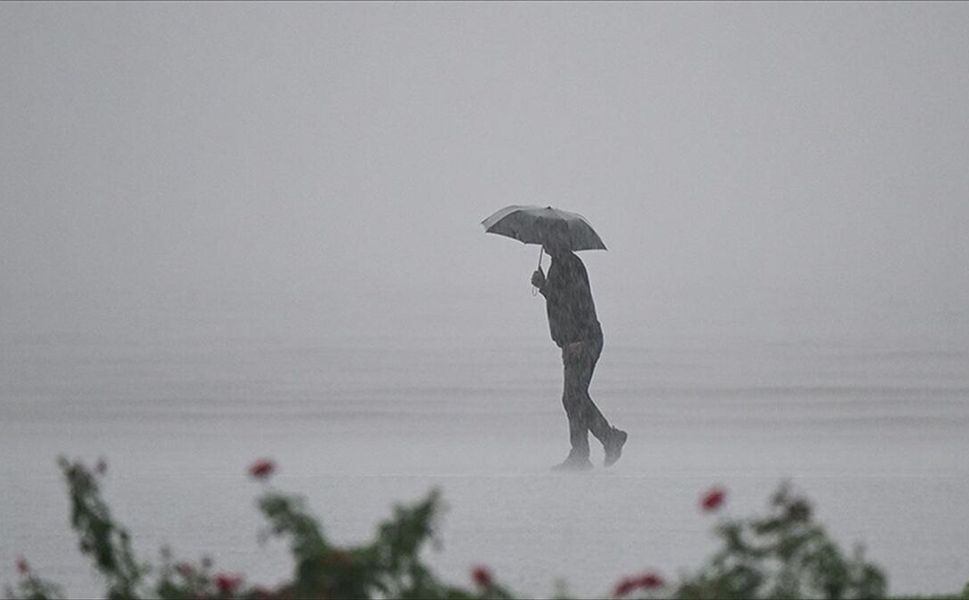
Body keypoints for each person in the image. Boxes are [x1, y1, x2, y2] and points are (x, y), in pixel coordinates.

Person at [530, 229, 627, 470]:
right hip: (574, 340)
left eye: (547, 238)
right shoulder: (559, 264)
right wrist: (544, 287)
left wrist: (579, 339)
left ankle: (601, 442)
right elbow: (560, 300)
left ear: (557, 239)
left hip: (583, 340)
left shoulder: (569, 264)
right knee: (574, 397)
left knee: (573, 397)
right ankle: (585, 451)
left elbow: (578, 302)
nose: (543, 243)